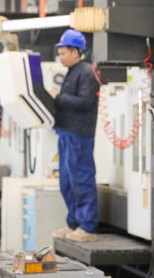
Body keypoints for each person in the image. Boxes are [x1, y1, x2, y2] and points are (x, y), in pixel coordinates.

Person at [49, 29, 100, 243]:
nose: (60, 57)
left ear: (76, 51)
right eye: (59, 53)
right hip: (66, 133)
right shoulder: (71, 72)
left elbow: (85, 102)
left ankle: (87, 227)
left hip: (79, 135)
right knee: (66, 183)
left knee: (82, 180)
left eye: (63, 53)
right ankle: (74, 223)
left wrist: (58, 98)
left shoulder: (87, 72)